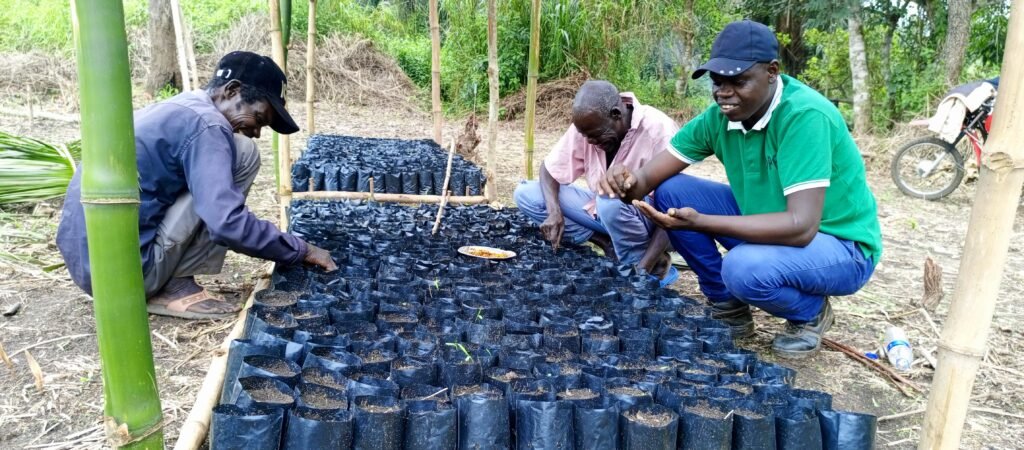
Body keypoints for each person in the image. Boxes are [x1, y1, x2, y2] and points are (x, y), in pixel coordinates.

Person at [599, 20, 882, 358]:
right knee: (672, 190)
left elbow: (801, 227)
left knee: (741, 268)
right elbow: (646, 180)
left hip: (840, 245)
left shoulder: (804, 116)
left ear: (772, 72)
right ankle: (728, 305)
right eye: (717, 81)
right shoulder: (718, 118)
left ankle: (810, 312)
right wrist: (625, 181)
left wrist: (701, 222)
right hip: (772, 224)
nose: (723, 92)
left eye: (738, 81)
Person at [57, 51, 337, 320]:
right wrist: (301, 250)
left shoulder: (183, 107)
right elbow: (227, 223)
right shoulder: (208, 125)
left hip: (91, 266)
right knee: (244, 153)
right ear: (232, 90)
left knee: (235, 152)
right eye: (260, 119)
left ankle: (168, 278)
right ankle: (174, 287)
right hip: (126, 278)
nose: (256, 132)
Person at [514, 80, 680, 285]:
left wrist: (642, 270)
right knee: (526, 194)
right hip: (606, 211)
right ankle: (607, 243)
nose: (589, 142)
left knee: (611, 198)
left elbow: (675, 207)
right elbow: (549, 170)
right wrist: (554, 212)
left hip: (655, 224)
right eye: (585, 137)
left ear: (616, 114)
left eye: (595, 136)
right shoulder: (588, 126)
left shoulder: (658, 130)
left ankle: (651, 265)